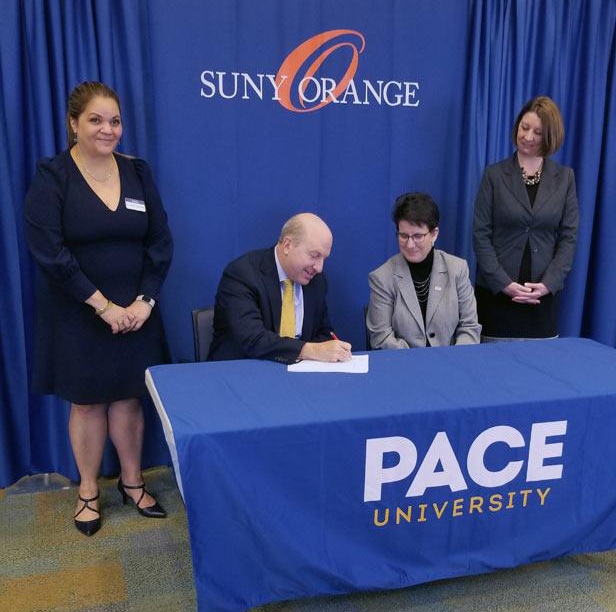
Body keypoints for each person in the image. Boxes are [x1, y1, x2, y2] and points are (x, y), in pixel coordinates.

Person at [24, 81, 173, 536]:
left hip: (136, 312)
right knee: (87, 404)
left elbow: (160, 241)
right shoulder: (53, 176)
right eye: (96, 120)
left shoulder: (138, 172)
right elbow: (49, 250)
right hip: (78, 310)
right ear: (73, 124)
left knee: (129, 397)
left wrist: (144, 302)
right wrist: (103, 306)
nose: (108, 129)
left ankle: (132, 482)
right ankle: (88, 490)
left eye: (114, 121)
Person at [473, 96, 578, 341]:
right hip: (496, 296)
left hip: (542, 300)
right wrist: (503, 283)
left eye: (538, 132)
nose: (528, 137)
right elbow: (480, 234)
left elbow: (569, 238)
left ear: (550, 136)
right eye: (524, 127)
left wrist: (548, 284)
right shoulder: (494, 175)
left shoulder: (564, 178)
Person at [208, 212, 352, 363]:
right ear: (288, 245)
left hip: (296, 374)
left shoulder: (317, 281)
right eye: (315, 255)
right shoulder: (242, 274)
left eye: (324, 258)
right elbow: (252, 339)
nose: (320, 268)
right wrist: (309, 350)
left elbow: (324, 333)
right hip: (241, 371)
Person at [367, 192, 480, 349]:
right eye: (404, 236)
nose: (410, 244)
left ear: (434, 234)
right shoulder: (382, 277)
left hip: (451, 365)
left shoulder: (457, 269)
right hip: (405, 366)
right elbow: (381, 338)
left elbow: (469, 328)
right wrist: (417, 363)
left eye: (418, 236)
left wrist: (454, 360)